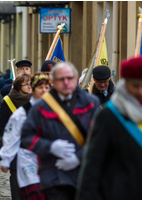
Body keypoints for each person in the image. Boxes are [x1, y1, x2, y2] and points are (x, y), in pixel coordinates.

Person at [21, 62, 100, 200]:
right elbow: (27, 137)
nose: (66, 82)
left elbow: (99, 139)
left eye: (69, 78)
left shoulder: (91, 103)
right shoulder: (40, 106)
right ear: (53, 81)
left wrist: (78, 157)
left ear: (76, 79)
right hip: (54, 174)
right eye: (61, 79)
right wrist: (50, 147)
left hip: (85, 174)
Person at [76, 57, 142, 200]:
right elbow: (93, 164)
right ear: (126, 85)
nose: (140, 92)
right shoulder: (108, 115)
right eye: (136, 86)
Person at [0, 74, 51, 200]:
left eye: (47, 87)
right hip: (29, 159)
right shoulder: (23, 112)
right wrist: (6, 158)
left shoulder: (56, 108)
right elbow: (12, 135)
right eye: (40, 87)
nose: (44, 90)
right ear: (33, 90)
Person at [0, 74, 33, 200]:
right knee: (16, 181)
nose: (30, 86)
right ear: (19, 86)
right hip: (15, 147)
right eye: (26, 84)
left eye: (31, 83)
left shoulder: (36, 100)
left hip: (32, 148)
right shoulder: (8, 101)